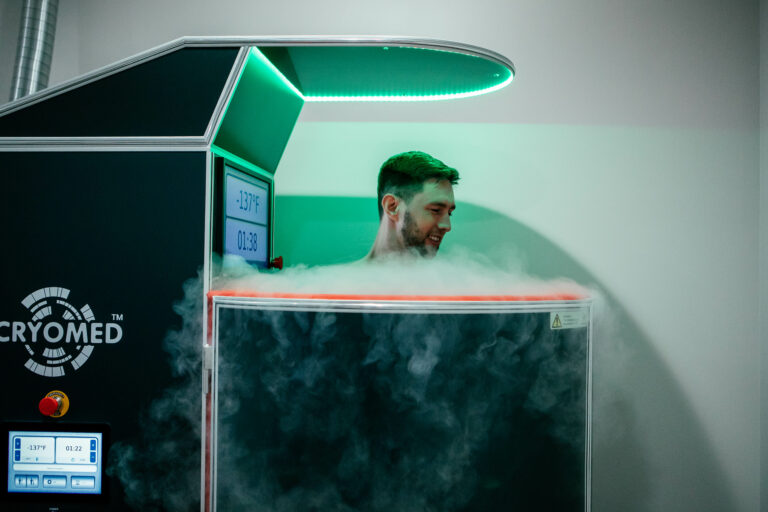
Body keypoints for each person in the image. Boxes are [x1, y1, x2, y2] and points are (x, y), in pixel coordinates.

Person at [367, 151, 458, 259]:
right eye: (436, 210)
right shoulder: (349, 276)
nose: (447, 226)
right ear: (392, 207)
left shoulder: (455, 275)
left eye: (449, 213)